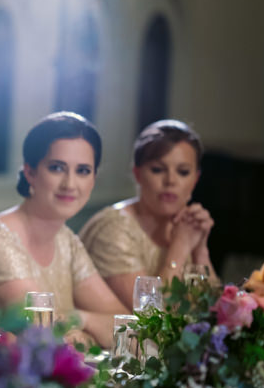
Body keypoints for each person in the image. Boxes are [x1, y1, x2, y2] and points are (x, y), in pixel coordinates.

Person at [0, 112, 127, 348]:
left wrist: (82, 318)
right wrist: (92, 334)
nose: (70, 184)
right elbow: (47, 337)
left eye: (83, 171)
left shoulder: (67, 241)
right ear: (30, 172)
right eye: (57, 168)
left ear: (94, 178)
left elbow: (128, 327)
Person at [79, 119, 216, 309]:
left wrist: (200, 249)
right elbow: (148, 313)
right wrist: (180, 248)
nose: (170, 181)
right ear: (137, 174)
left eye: (183, 172)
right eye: (158, 170)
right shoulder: (113, 229)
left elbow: (215, 312)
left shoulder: (186, 226)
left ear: (195, 180)